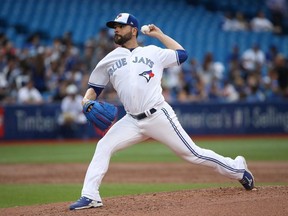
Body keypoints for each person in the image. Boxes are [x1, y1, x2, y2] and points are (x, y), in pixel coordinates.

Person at [69, 13, 255, 210]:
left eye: (120, 26)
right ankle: (90, 195)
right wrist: (85, 101)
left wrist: (159, 34)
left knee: (193, 154)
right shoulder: (108, 59)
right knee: (104, 146)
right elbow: (93, 90)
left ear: (133, 30)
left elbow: (182, 54)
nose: (116, 29)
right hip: (131, 120)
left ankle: (238, 169)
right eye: (114, 26)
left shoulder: (152, 52)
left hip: (158, 115)